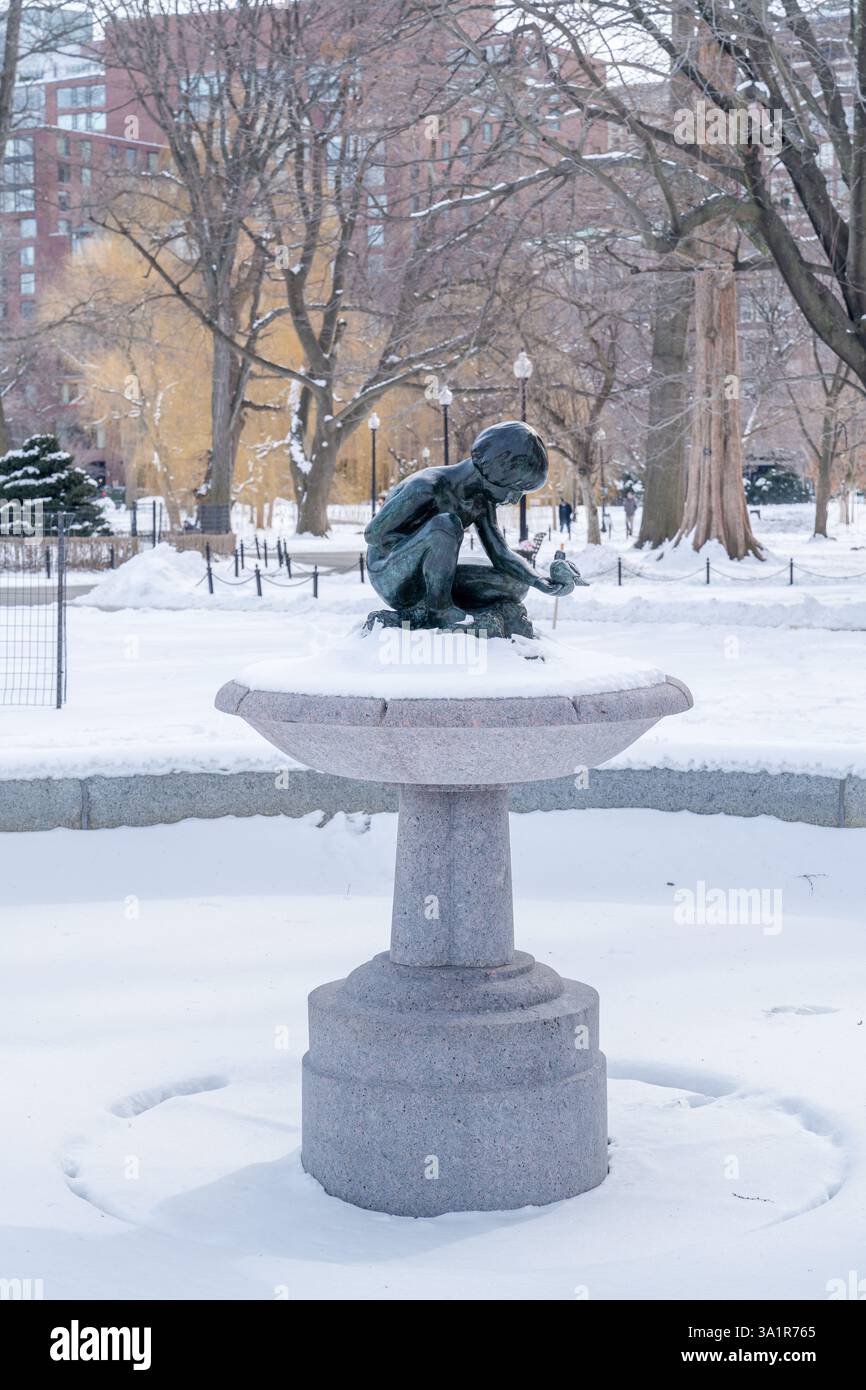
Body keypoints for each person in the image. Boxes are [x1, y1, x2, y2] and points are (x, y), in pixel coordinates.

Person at [365, 420, 581, 628]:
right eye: (515, 489)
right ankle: (438, 610)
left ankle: (440, 596)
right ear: (494, 472)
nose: (515, 499)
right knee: (445, 525)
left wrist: (539, 580)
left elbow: (501, 554)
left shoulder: (480, 502)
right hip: (391, 576)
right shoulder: (427, 487)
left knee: (515, 584)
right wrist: (427, 544)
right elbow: (374, 534)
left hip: (429, 577)